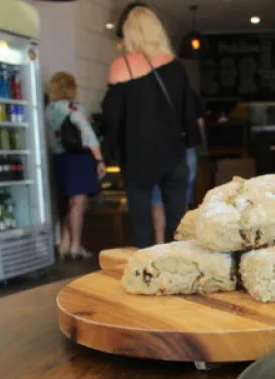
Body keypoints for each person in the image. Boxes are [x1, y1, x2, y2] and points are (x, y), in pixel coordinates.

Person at [102, 2, 200, 248]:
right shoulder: (175, 66)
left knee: (140, 223)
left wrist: (113, 154)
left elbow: (113, 118)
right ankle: (181, 265)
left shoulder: (121, 66)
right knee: (178, 220)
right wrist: (192, 143)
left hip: (138, 156)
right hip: (173, 153)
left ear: (129, 32)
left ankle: (144, 265)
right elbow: (189, 112)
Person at [45, 71, 106, 260]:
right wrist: (99, 160)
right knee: (78, 203)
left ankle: (65, 242)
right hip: (78, 159)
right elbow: (88, 135)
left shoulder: (49, 110)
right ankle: (76, 245)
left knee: (67, 203)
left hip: (59, 158)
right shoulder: (73, 108)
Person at [149, 96, 205, 244]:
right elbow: (199, 125)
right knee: (183, 196)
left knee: (157, 199)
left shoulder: (147, 92)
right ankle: (182, 240)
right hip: (184, 148)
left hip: (155, 148)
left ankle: (159, 243)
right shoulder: (188, 94)